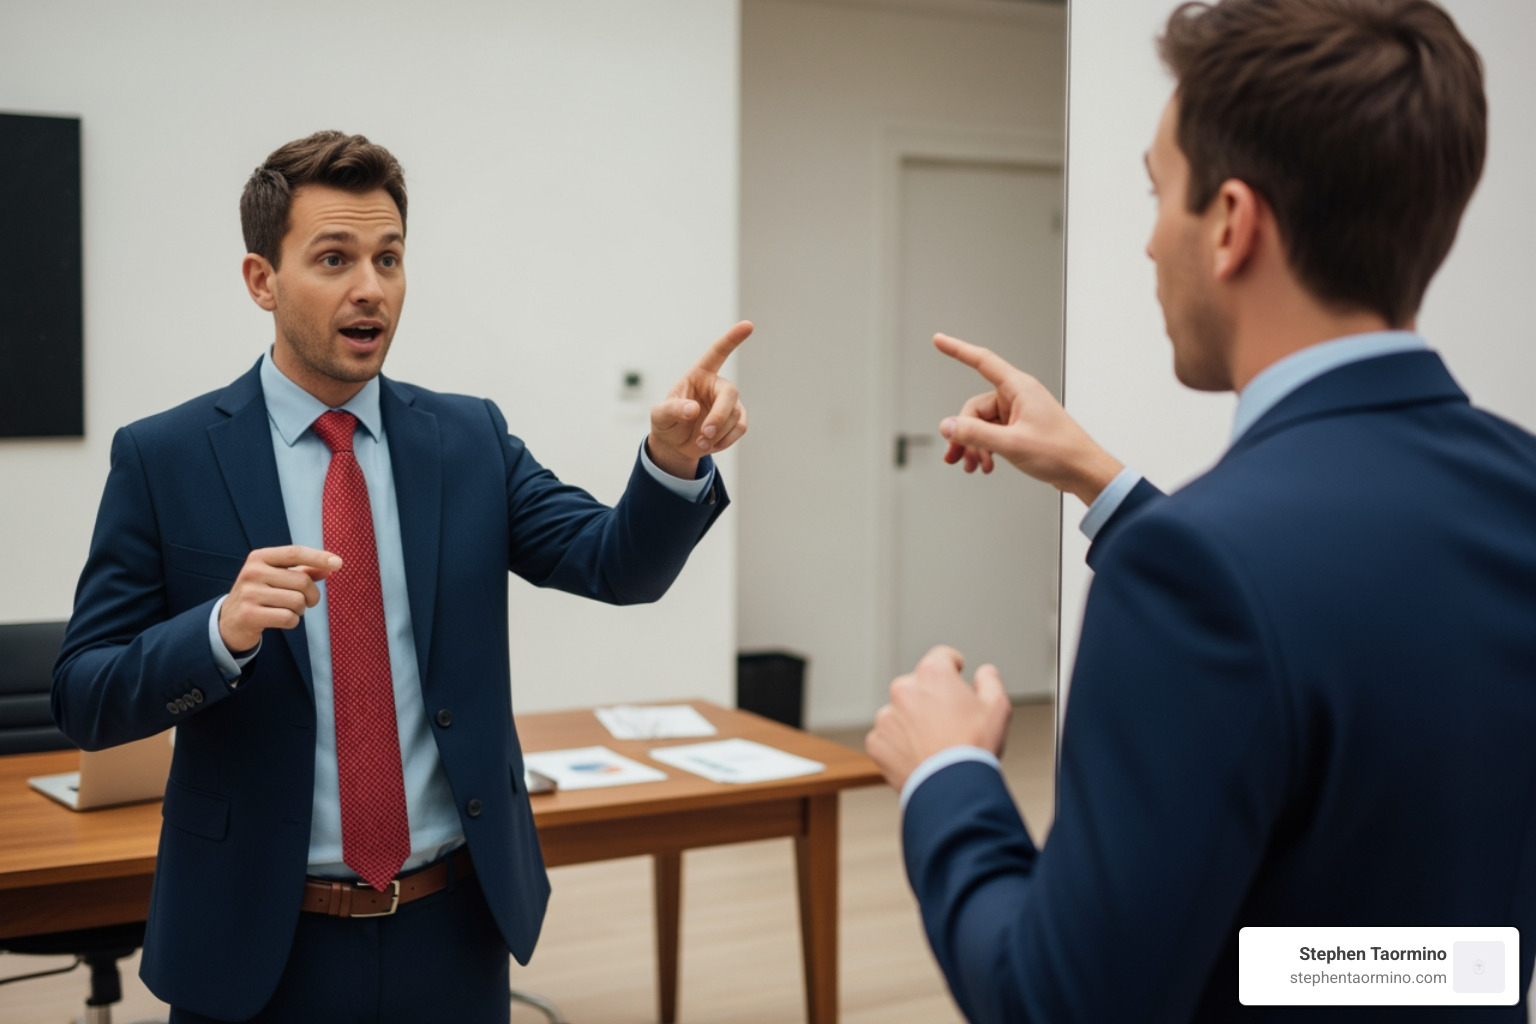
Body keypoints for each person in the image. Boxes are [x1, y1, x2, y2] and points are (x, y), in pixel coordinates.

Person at [866, 0, 1536, 1020]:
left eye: (1156, 195)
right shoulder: (1515, 485)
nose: (1145, 246)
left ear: (1230, 224)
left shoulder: (1198, 572)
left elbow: (1055, 1002)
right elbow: (1449, 954)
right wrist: (1105, 481)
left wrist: (948, 776)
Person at [52, 131, 747, 1023]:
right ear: (261, 281)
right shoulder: (166, 457)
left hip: (451, 927)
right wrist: (216, 634)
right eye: (334, 258)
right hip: (259, 940)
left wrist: (669, 461)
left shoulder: (468, 440)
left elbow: (617, 565)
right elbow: (83, 692)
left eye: (389, 257)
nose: (370, 287)